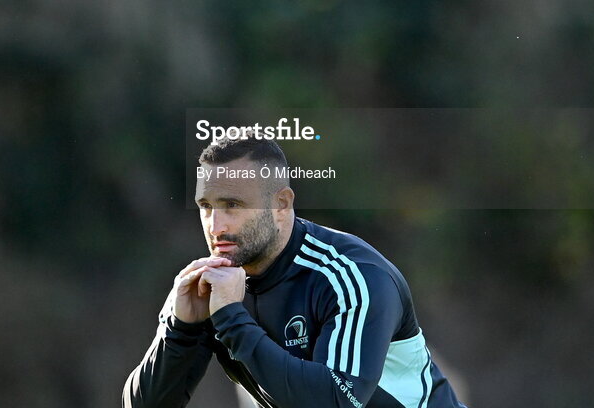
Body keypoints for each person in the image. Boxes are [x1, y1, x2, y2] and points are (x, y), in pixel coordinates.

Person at [123, 137, 467, 408]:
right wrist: (181, 331)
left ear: (281, 204)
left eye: (233, 205)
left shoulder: (353, 276)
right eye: (206, 207)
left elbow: (334, 402)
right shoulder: (213, 288)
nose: (216, 225)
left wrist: (231, 319)